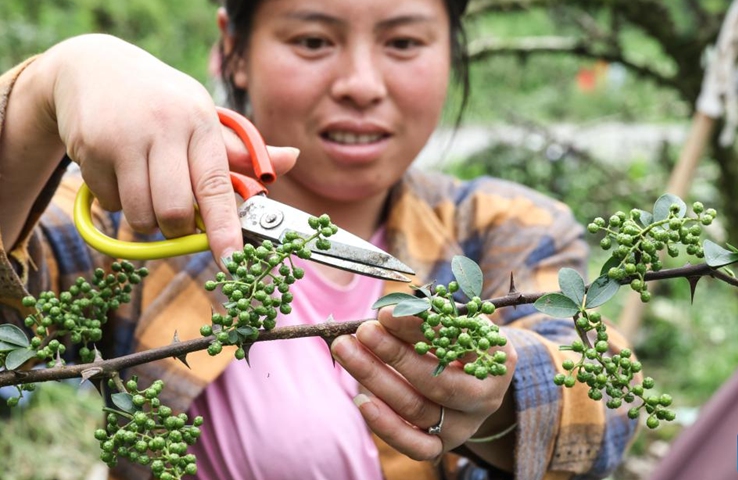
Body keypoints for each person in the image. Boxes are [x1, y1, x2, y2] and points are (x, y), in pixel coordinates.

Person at [0, 0, 639, 478]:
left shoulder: (506, 228)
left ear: (451, 51)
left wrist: (496, 397)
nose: (361, 83)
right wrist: (43, 93)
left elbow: (607, 414)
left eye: (405, 41)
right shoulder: (131, 222)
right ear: (233, 51)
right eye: (312, 39)